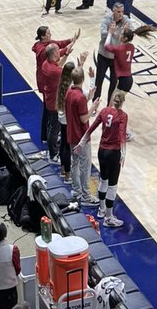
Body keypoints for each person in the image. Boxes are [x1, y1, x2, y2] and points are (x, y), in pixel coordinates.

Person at [83, 88, 128, 227]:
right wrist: (123, 153)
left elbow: (91, 128)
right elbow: (121, 135)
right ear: (122, 102)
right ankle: (109, 217)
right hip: (113, 153)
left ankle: (101, 210)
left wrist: (82, 141)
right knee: (112, 186)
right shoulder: (123, 116)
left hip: (102, 151)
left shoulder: (104, 111)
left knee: (103, 180)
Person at [65, 61, 97, 206]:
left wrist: (92, 82)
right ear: (82, 79)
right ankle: (85, 196)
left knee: (75, 163)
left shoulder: (69, 93)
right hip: (81, 137)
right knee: (85, 166)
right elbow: (84, 118)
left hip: (71, 134)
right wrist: (94, 108)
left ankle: (76, 190)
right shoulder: (80, 97)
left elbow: (82, 102)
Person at [94, 3, 129, 101]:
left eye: (122, 11)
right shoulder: (107, 19)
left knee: (114, 83)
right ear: (113, 11)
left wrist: (126, 30)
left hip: (116, 58)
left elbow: (132, 30)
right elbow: (103, 33)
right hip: (104, 55)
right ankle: (95, 104)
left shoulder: (125, 19)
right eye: (118, 12)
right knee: (99, 81)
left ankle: (109, 106)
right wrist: (112, 32)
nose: (121, 14)